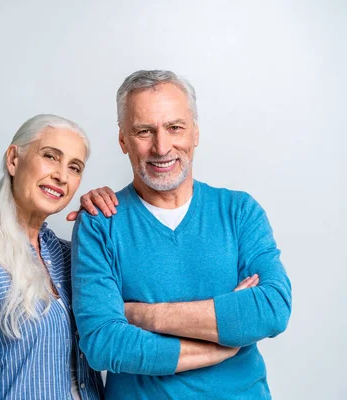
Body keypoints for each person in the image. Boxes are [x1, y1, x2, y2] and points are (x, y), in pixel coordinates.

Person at [70, 70, 292, 399]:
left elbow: (271, 308)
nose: (162, 147)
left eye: (175, 127)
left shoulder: (239, 211)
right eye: (145, 131)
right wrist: (223, 340)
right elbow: (103, 342)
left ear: (195, 132)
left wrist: (143, 315)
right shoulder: (100, 223)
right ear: (123, 141)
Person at [0, 114, 106, 399]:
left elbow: (120, 328)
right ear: (14, 159)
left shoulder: (69, 254)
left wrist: (109, 221)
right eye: (51, 156)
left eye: (74, 168)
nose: (62, 176)